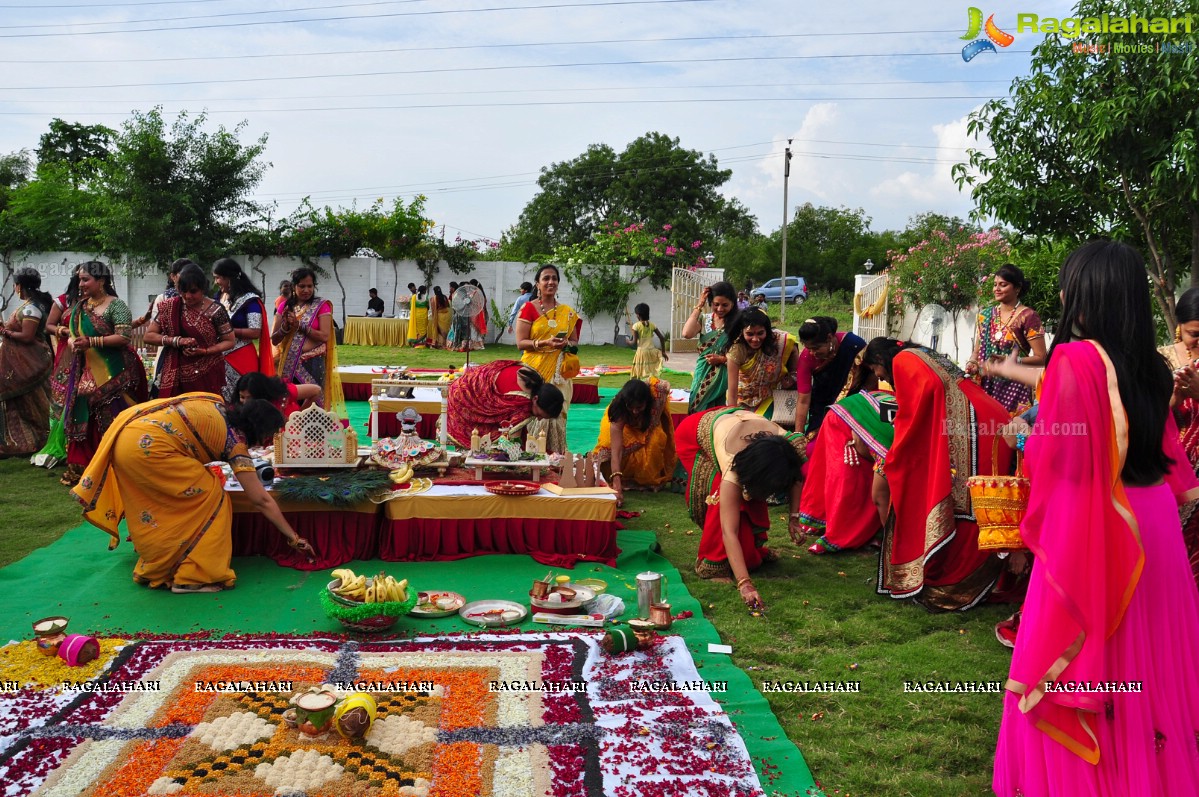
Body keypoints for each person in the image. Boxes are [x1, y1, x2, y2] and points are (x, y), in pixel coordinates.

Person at [993, 241, 1199, 796]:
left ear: (1086, 293)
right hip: (1152, 527)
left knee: (1086, 658)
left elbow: (1062, 459)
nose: (1061, 294)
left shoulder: (1076, 359)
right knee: (1151, 667)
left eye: (1068, 284)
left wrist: (1025, 439)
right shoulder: (1154, 365)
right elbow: (1166, 456)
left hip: (1097, 529)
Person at [73, 393, 317, 592]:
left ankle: (163, 561)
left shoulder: (217, 404)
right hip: (149, 450)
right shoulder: (235, 442)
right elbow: (261, 499)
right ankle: (192, 577)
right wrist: (293, 537)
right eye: (267, 436)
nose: (267, 444)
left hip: (127, 438)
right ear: (257, 428)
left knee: (163, 505)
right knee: (212, 495)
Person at [870, 337, 1013, 611]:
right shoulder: (922, 352)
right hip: (986, 417)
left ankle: (955, 584)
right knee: (981, 499)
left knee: (971, 501)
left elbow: (928, 393)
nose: (878, 377)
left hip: (971, 426)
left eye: (875, 369)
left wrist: (902, 446)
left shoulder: (903, 359)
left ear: (880, 361)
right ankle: (981, 576)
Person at [676, 406, 807, 609]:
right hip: (694, 435)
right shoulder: (732, 470)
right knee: (719, 497)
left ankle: (750, 550)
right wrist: (744, 584)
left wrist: (794, 518)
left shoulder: (787, 444)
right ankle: (714, 564)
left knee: (750, 496)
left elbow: (795, 476)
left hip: (733, 419)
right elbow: (729, 530)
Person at [49, 261, 148, 486]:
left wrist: (91, 341)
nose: (80, 284)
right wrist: (74, 342)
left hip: (116, 371)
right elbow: (73, 335)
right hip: (86, 370)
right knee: (84, 413)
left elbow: (124, 337)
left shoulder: (116, 305)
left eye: (85, 279)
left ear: (101, 280)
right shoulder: (80, 307)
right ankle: (87, 466)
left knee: (114, 416)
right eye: (79, 279)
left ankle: (120, 466)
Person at [796, 385, 897, 554]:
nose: (879, 377)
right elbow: (880, 497)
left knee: (872, 485)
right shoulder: (884, 444)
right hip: (845, 421)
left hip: (874, 429)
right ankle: (837, 533)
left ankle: (878, 534)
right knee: (844, 478)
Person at [516, 264, 582, 453]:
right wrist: (544, 343)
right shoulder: (528, 308)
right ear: (538, 283)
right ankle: (527, 455)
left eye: (554, 278)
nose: (550, 282)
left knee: (557, 415)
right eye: (546, 278)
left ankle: (555, 456)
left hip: (559, 374)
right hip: (533, 372)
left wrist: (566, 345)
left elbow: (575, 343)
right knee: (531, 416)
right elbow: (520, 343)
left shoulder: (568, 312)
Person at [145, 264, 236, 399]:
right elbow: (149, 336)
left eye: (193, 291)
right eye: (183, 291)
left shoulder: (215, 310)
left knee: (205, 414)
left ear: (203, 289)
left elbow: (230, 341)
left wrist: (205, 351)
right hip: (174, 372)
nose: (187, 296)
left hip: (207, 372)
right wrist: (177, 341)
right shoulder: (170, 307)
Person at [966, 264, 1046, 414]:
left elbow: (1042, 357)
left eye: (1003, 285)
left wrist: (1013, 361)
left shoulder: (1028, 316)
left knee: (1011, 433)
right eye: (995, 285)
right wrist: (972, 363)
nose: (997, 289)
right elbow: (976, 352)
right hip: (987, 385)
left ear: (1017, 288)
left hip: (1016, 387)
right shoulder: (985, 315)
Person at [1159, 286, 1199, 586]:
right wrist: (1173, 399)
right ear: (1178, 329)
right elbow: (1145, 417)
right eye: (1193, 334)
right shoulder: (1163, 360)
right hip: (1174, 464)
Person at [270, 267, 345, 415]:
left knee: (315, 405)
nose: (306, 290)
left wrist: (300, 326)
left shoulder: (321, 306)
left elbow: (324, 336)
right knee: (290, 401)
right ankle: (290, 429)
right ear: (294, 286)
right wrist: (285, 328)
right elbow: (274, 339)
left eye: (309, 286)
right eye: (302, 286)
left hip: (313, 363)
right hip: (288, 363)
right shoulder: (284, 306)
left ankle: (313, 434)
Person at [592, 377, 677, 507]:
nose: (635, 411)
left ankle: (644, 480)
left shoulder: (656, 398)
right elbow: (616, 451)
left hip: (646, 426)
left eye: (639, 407)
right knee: (608, 446)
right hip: (622, 426)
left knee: (655, 441)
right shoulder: (618, 409)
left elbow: (663, 385)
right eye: (631, 407)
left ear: (647, 403)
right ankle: (622, 479)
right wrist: (616, 485)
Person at [445, 359, 564, 449]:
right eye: (540, 415)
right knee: (484, 441)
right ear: (536, 399)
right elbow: (513, 440)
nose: (538, 419)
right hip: (464, 399)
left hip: (463, 382)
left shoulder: (532, 375)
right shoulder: (523, 404)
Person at [0, 268, 54, 457]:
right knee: (21, 402)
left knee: (34, 401)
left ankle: (37, 438)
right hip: (22, 363)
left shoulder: (32, 308)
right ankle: (19, 439)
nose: (15, 288)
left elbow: (27, 336)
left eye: (15, 284)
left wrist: (5, 332)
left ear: (20, 286)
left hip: (30, 363)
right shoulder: (31, 305)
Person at [31, 273, 80, 468]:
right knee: (62, 398)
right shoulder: (63, 301)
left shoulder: (100, 303)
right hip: (67, 356)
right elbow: (49, 326)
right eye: (82, 280)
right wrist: (65, 331)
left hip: (93, 355)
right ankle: (63, 443)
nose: (84, 284)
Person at [794, 316, 868, 434]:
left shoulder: (853, 345)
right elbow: (803, 400)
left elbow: (869, 380)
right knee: (813, 446)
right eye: (809, 349)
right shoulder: (806, 358)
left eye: (816, 348)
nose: (812, 353)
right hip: (822, 411)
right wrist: (798, 433)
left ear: (829, 337)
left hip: (854, 409)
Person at [213, 258, 272, 401]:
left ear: (228, 278)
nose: (216, 282)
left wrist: (229, 331)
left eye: (218, 278)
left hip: (241, 356)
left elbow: (255, 331)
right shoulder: (220, 296)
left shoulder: (250, 301)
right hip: (219, 356)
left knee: (243, 400)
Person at [725, 307, 799, 419]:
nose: (755, 339)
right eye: (749, 334)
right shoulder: (736, 350)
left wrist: (793, 374)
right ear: (742, 332)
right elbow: (732, 391)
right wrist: (732, 416)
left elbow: (793, 348)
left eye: (760, 333)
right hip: (742, 400)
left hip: (771, 398)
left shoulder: (778, 341)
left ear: (767, 331)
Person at [680, 281, 741, 414]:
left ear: (733, 303)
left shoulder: (738, 323)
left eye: (725, 305)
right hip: (702, 372)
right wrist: (699, 305)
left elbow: (743, 354)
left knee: (716, 412)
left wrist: (722, 359)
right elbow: (686, 333)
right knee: (695, 408)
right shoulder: (705, 319)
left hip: (725, 374)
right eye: (716, 304)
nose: (720, 309)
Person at [232, 371, 320, 421]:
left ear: (262, 394)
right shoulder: (240, 408)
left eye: (250, 397)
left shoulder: (281, 393)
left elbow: (316, 390)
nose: (246, 402)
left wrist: (298, 416)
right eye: (242, 397)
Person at [629, 302, 668, 380]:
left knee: (638, 373)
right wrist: (663, 352)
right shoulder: (652, 325)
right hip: (652, 351)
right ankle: (650, 387)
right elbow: (661, 338)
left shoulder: (636, 326)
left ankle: (637, 388)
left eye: (636, 314)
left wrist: (627, 341)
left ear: (638, 315)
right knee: (651, 372)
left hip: (642, 352)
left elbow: (633, 342)